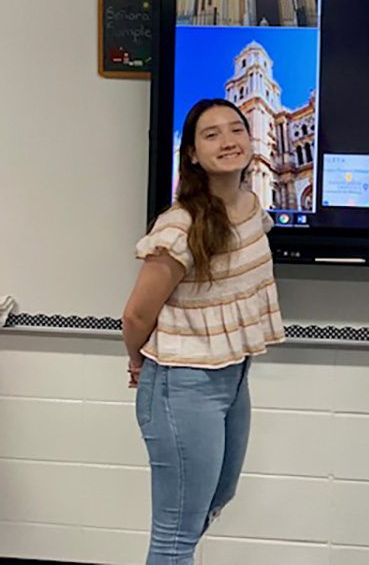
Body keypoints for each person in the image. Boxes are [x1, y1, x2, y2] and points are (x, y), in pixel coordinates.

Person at [121, 98, 285, 564]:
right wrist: (138, 363)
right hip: (181, 383)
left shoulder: (253, 206)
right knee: (174, 536)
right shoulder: (180, 225)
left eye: (237, 129)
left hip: (233, 376)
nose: (228, 141)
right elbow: (136, 315)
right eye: (211, 134)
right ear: (191, 153)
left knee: (217, 498)